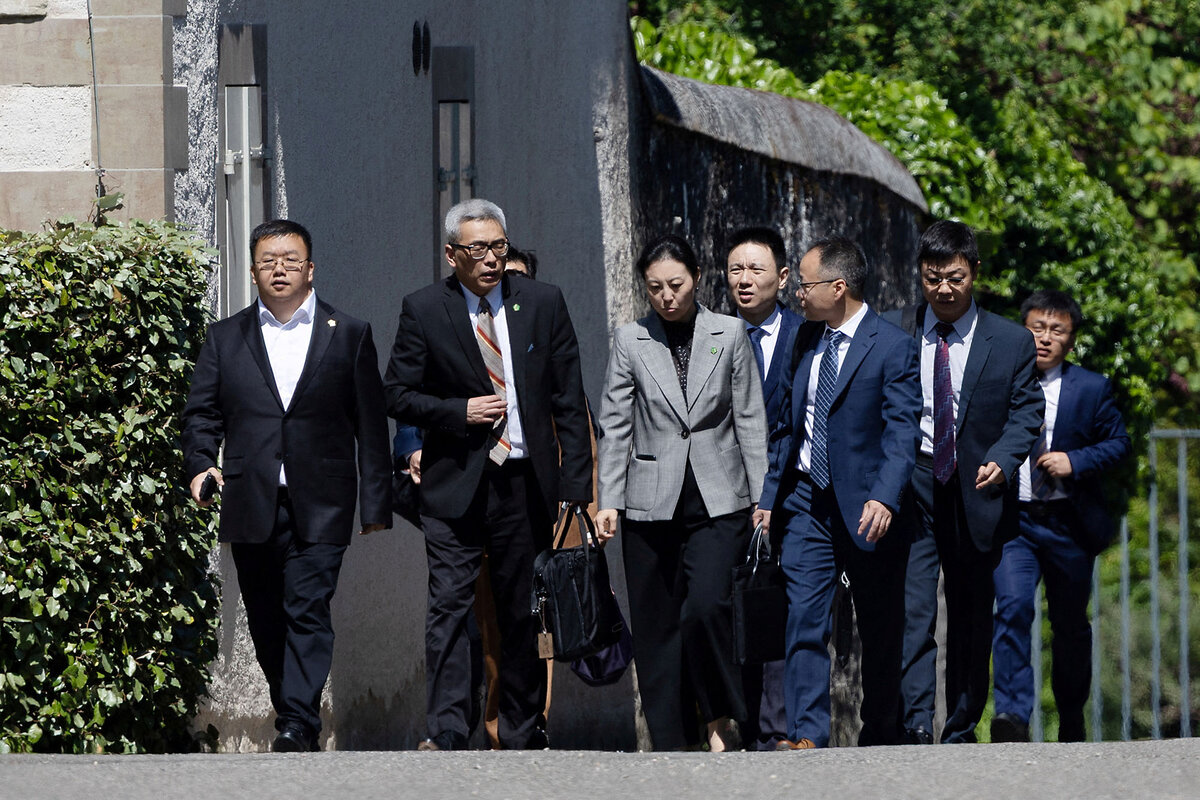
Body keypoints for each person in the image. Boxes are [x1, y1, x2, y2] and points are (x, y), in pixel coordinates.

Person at [384, 199, 592, 751]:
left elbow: (569, 398)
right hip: (455, 481)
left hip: (524, 482)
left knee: (522, 607)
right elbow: (397, 394)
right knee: (449, 606)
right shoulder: (424, 309)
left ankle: (523, 729)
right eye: (477, 249)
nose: (491, 259)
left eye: (499, 247)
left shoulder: (542, 303)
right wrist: (458, 412)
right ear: (451, 255)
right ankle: (449, 728)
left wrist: (577, 489)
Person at [181, 219, 392, 752]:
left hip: (322, 498)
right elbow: (202, 413)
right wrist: (201, 464)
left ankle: (297, 724)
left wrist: (376, 504)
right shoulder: (225, 338)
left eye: (290, 259)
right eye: (268, 260)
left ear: (310, 268)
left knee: (308, 606)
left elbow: (370, 422)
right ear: (252, 271)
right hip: (252, 497)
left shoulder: (349, 333)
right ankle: (291, 704)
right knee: (267, 617)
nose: (279, 269)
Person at [595, 233, 767, 752]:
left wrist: (764, 500)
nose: (667, 296)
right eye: (655, 288)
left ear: (696, 278)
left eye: (676, 284)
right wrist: (608, 500)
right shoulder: (631, 340)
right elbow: (616, 423)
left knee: (707, 608)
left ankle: (718, 715)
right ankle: (670, 742)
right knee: (656, 626)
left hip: (721, 500)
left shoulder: (729, 333)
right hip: (650, 501)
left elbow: (750, 420)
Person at [754, 237, 922, 750]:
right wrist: (768, 497)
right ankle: (806, 736)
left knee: (879, 626)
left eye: (804, 284)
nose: (797, 293)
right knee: (803, 614)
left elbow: (902, 432)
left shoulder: (892, 346)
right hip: (807, 501)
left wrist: (885, 497)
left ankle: (881, 733)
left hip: (869, 507)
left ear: (839, 286)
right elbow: (788, 425)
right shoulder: (805, 340)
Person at [884, 220, 1044, 744]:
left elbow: (1027, 410)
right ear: (920, 277)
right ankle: (913, 725)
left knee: (973, 615)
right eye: (932, 279)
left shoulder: (1011, 340)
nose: (944, 290)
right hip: (917, 483)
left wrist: (1004, 456)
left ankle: (959, 726)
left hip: (978, 490)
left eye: (954, 277)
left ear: (974, 272)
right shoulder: (895, 329)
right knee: (914, 609)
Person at [990, 290, 1131, 743]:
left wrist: (1076, 460)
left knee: (1070, 625)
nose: (1045, 338)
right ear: (1022, 329)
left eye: (1057, 330)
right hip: (1016, 524)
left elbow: (1119, 443)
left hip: (1068, 524)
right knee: (1011, 609)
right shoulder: (1001, 383)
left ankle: (1071, 715)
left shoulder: (1092, 388)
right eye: (1037, 327)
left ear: (1070, 339)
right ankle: (1012, 716)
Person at [724, 226, 803, 751]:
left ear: (783, 276)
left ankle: (775, 729)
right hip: (724, 494)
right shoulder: (711, 335)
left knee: (779, 607)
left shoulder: (807, 335)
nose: (745, 280)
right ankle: (734, 720)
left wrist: (772, 494)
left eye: (756, 269)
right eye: (735, 269)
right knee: (728, 604)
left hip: (793, 495)